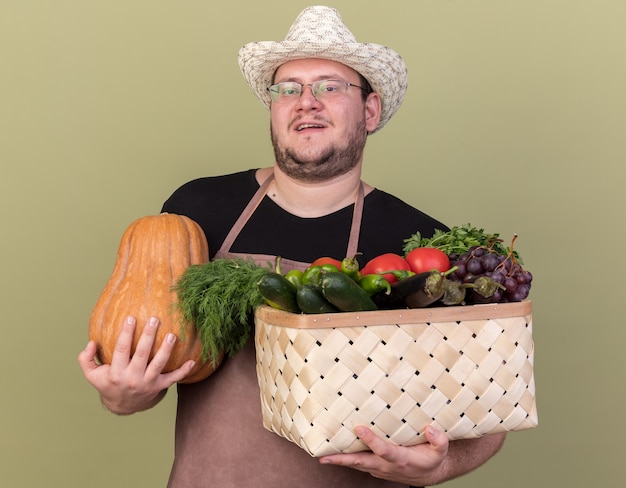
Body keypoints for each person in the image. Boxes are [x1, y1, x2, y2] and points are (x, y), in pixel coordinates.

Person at [78, 6, 506, 487]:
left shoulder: (419, 244)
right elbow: (163, 358)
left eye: (329, 86)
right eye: (288, 89)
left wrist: (442, 465)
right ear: (274, 108)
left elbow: (488, 412)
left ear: (369, 110)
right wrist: (122, 396)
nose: (306, 101)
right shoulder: (196, 211)